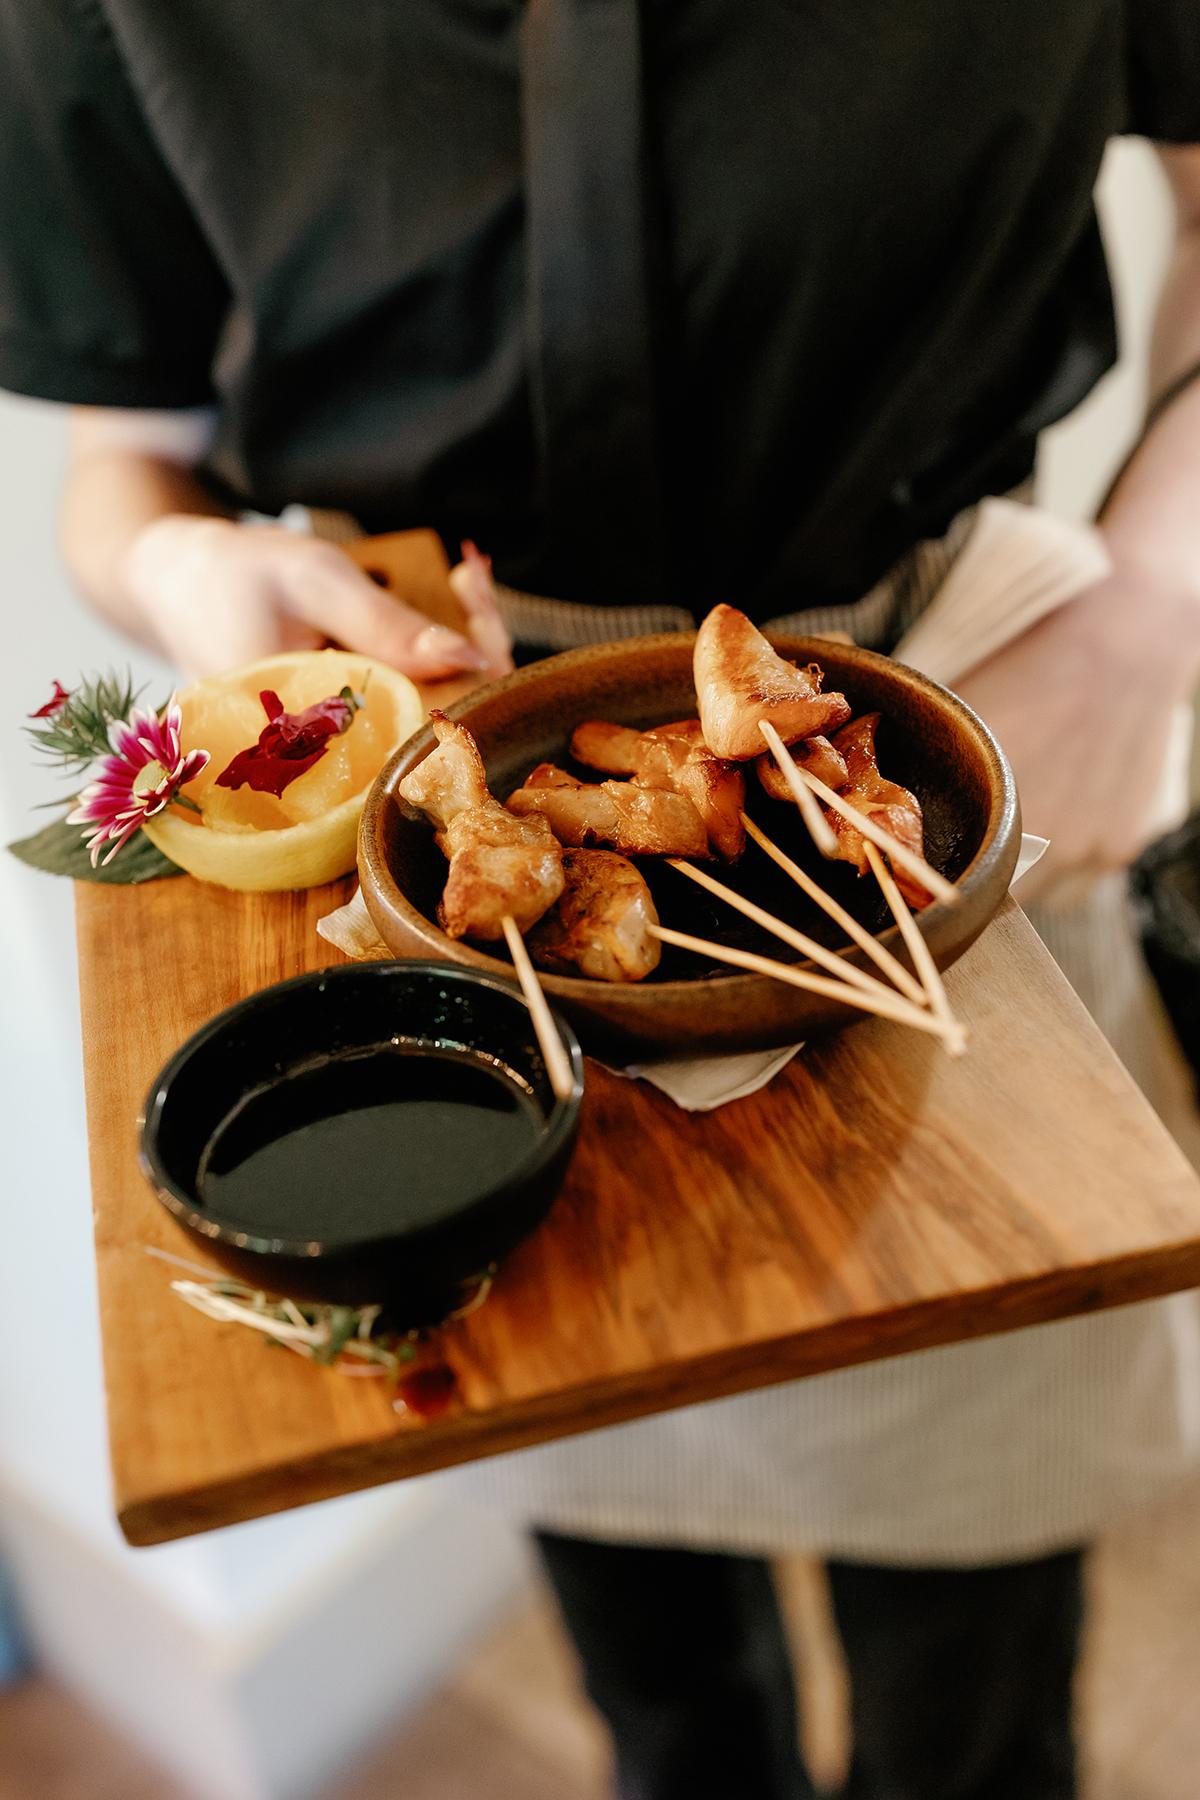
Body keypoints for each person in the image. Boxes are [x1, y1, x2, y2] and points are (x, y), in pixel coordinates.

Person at [4, 4, 1200, 1795]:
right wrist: (182, 565)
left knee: (974, 1704)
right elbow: (125, 455)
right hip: (441, 844)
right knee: (656, 1686)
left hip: (944, 753)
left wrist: (1154, 608)